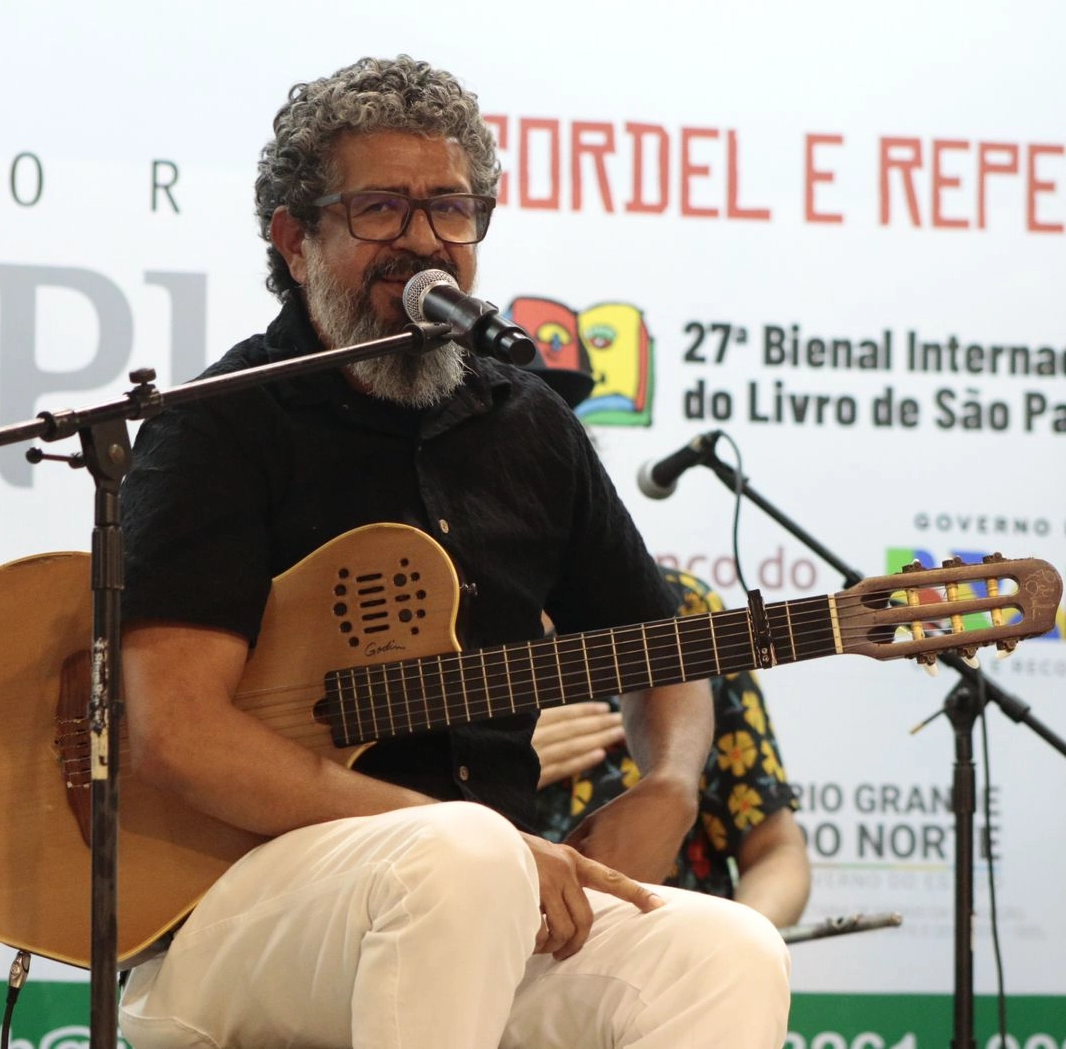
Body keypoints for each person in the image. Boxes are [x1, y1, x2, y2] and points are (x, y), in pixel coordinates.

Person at [115, 55, 791, 1049]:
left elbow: (663, 649)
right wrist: (483, 842)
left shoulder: (528, 422)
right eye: (381, 209)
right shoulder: (220, 423)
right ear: (296, 239)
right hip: (225, 913)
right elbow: (175, 731)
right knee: (462, 853)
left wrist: (669, 785)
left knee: (725, 948)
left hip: (485, 898)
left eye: (451, 208)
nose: (425, 242)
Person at [525, 358, 811, 929]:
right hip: (486, 965)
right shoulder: (411, 623)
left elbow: (776, 851)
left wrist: (734, 942)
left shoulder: (680, 609)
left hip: (657, 975)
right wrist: (495, 764)